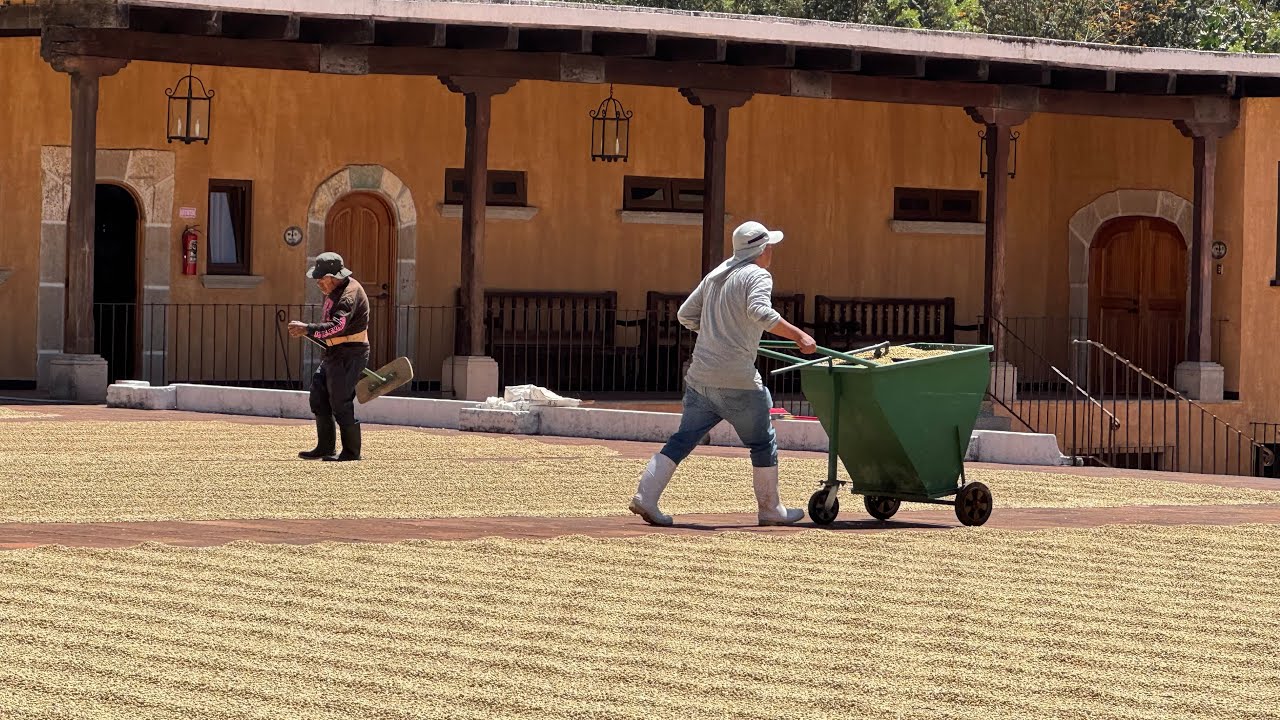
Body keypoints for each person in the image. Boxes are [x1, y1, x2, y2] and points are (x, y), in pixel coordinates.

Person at [629, 220, 817, 527]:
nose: (772, 251)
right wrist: (799, 336)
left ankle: (645, 497)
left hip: (700, 376)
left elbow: (684, 315)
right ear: (761, 249)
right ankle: (770, 510)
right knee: (762, 442)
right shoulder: (757, 274)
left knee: (682, 439)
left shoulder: (716, 275)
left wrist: (715, 333)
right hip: (737, 379)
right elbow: (760, 312)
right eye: (769, 246)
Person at [288, 251, 371, 462]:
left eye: (320, 279)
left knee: (340, 400)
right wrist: (311, 331)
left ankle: (351, 453)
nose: (318, 284)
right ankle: (325, 447)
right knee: (319, 392)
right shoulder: (336, 290)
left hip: (350, 353)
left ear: (333, 277)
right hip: (335, 353)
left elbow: (337, 327)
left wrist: (308, 328)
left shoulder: (348, 295)